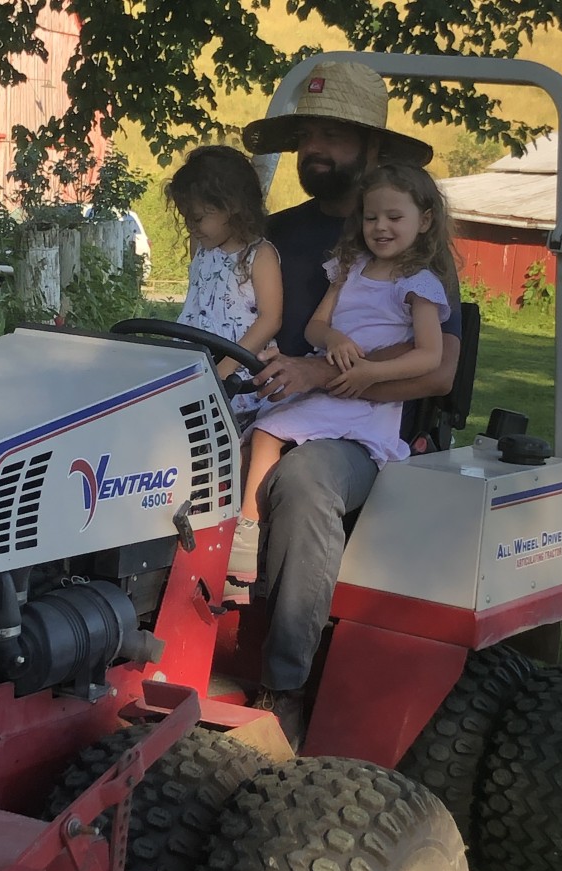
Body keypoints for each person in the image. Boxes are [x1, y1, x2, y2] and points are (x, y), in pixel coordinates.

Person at [233, 60, 462, 748]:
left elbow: (437, 372)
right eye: (307, 132)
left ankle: (283, 688)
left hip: (357, 433)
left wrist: (319, 374)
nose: (314, 149)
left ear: (373, 147)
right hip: (262, 403)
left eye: (333, 134)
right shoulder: (279, 232)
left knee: (300, 483)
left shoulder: (416, 254)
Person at [228, 162, 455, 582]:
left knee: (265, 434)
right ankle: (242, 542)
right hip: (329, 384)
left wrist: (371, 372)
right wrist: (333, 339)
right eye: (371, 217)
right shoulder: (348, 268)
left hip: (365, 401)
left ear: (424, 221)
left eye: (394, 217)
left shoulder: (419, 284)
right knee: (241, 439)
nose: (380, 227)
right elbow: (317, 325)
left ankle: (244, 543)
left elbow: (429, 356)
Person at [166, 145, 283, 424]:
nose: (190, 227)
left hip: (236, 373)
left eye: (197, 218)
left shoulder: (260, 255)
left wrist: (227, 366)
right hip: (194, 365)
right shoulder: (202, 247)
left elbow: (270, 319)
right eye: (185, 219)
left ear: (231, 207)